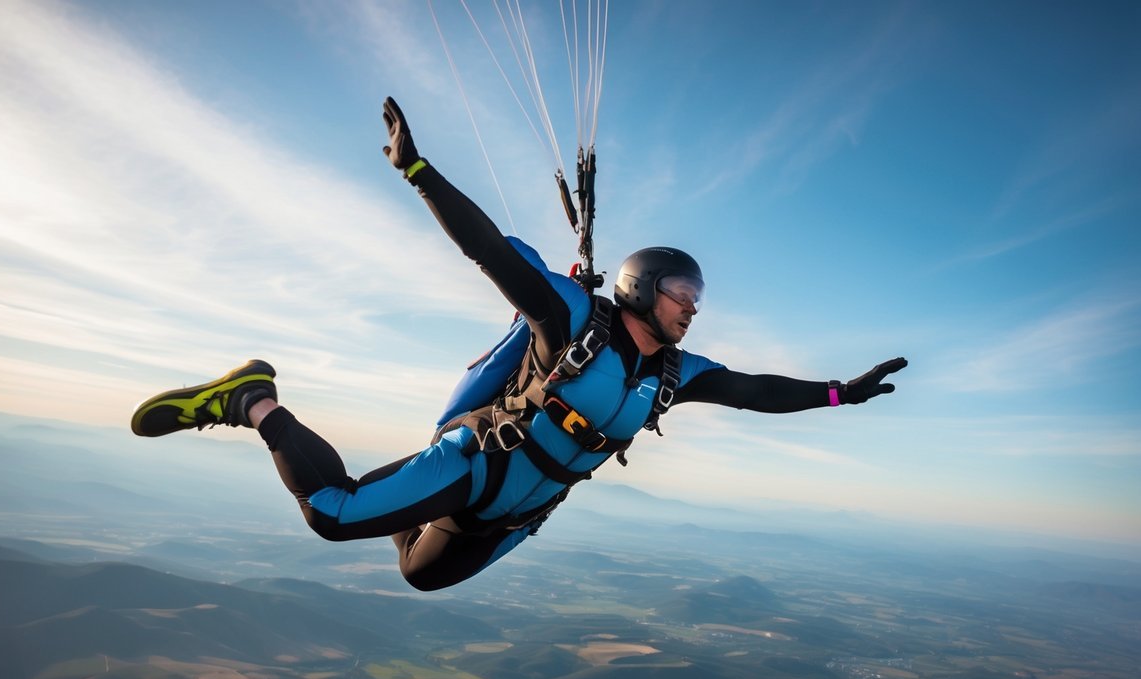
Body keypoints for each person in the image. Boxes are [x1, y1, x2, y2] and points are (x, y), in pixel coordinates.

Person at [131, 97, 907, 592]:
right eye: (684, 296)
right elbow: (492, 254)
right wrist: (420, 172)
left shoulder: (676, 372)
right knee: (334, 515)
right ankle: (251, 398)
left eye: (698, 301)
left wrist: (842, 392)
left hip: (513, 514)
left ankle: (396, 490)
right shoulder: (571, 319)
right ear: (643, 288)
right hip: (479, 470)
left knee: (419, 576)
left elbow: (758, 391)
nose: (693, 311)